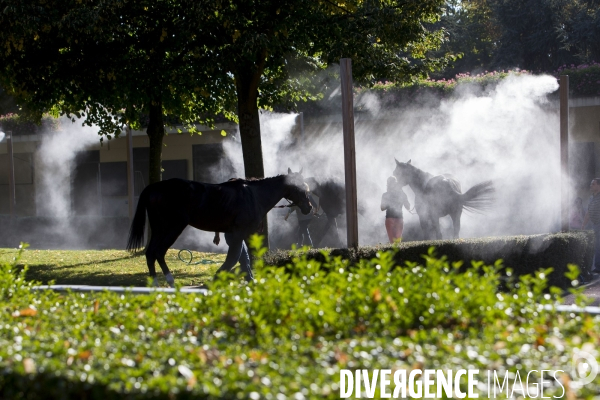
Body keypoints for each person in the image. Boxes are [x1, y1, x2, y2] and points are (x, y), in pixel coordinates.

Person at [284, 182, 319, 247]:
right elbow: (292, 207)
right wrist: (287, 214)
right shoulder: (302, 197)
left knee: (304, 230)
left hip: (305, 218)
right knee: (300, 231)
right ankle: (300, 244)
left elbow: (315, 205)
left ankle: (310, 244)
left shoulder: (306, 197)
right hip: (303, 218)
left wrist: (315, 211)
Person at [381, 176, 411, 243]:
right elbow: (408, 207)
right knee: (397, 241)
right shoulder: (401, 194)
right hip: (398, 219)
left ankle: (394, 253)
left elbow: (382, 208)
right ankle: (398, 253)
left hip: (390, 219)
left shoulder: (385, 195)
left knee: (393, 242)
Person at [582, 178, 600, 274]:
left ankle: (598, 267)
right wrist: (584, 224)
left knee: (598, 246)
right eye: (591, 184)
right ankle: (596, 266)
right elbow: (588, 212)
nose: (591, 186)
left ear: (598, 185)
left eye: (593, 184)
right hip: (594, 224)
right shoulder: (591, 198)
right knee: (595, 245)